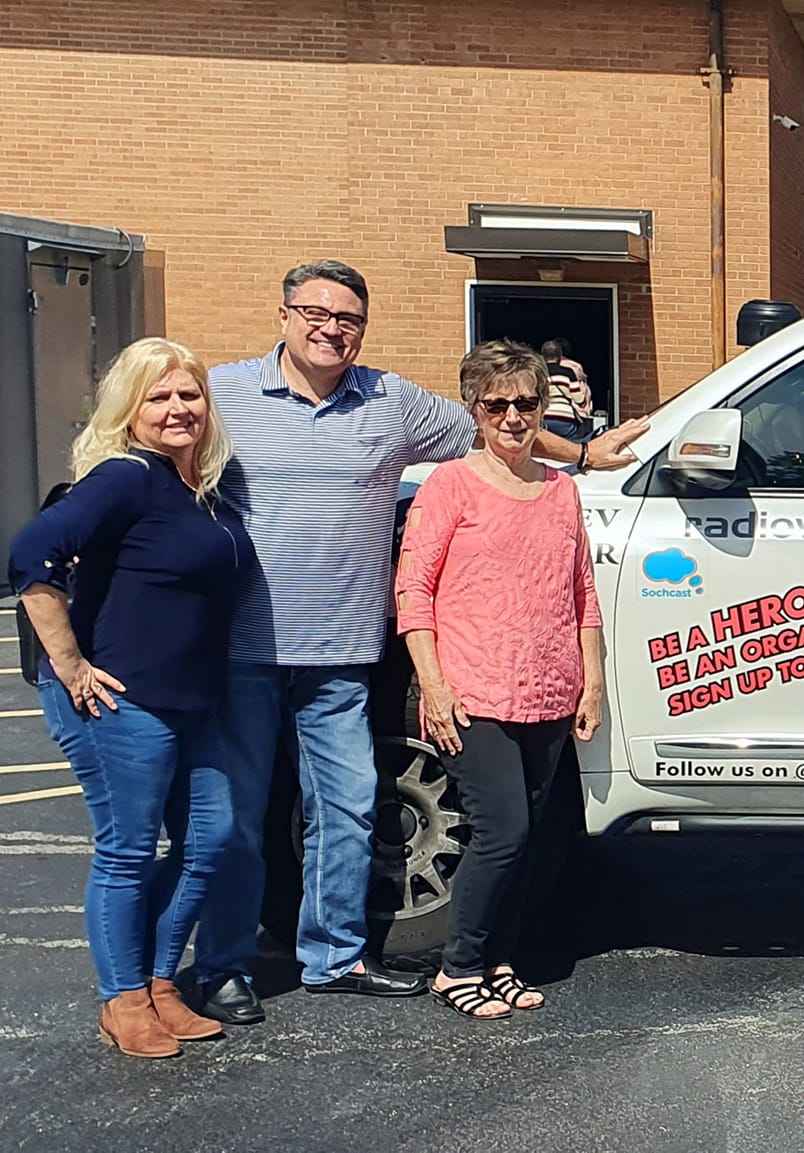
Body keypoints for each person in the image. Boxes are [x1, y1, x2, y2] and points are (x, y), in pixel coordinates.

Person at [185, 261, 647, 1026]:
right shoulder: (226, 393)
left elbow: (495, 420)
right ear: (283, 315)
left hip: (342, 651)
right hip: (244, 647)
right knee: (234, 818)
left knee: (344, 810)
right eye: (316, 312)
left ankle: (334, 957)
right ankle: (226, 964)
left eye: (349, 319)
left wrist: (584, 454)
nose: (331, 328)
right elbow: (156, 439)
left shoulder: (390, 400)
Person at [7, 338, 251, 1057]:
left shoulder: (191, 485)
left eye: (189, 394)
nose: (179, 408)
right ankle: (125, 999)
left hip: (191, 701)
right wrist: (71, 662)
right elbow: (30, 555)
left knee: (211, 839)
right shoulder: (124, 475)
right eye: (160, 396)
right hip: (123, 699)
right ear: (130, 408)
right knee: (126, 848)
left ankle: (159, 981)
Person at [394, 340, 604, 1018]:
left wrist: (592, 681)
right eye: (498, 404)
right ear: (474, 409)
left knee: (536, 836)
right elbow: (414, 593)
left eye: (527, 403)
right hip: (473, 689)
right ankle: (458, 967)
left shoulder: (560, 489)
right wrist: (433, 684)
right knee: (502, 828)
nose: (513, 416)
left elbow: (582, 592)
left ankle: (501, 958)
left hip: (548, 688)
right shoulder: (448, 486)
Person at [543, 361, 595, 443]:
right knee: (572, 443)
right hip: (565, 417)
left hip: (544, 417)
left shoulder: (539, 372)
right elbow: (579, 399)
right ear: (559, 358)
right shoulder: (568, 373)